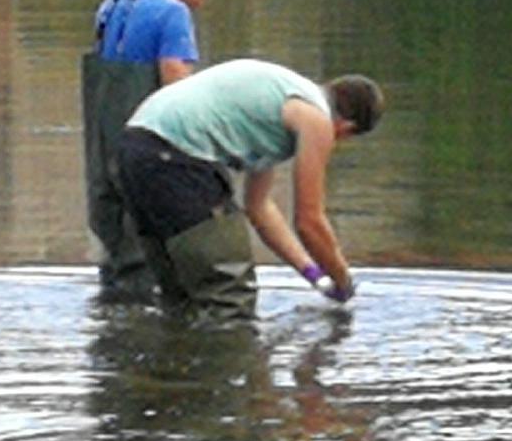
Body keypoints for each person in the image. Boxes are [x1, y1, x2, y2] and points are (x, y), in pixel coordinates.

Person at [117, 58, 384, 317]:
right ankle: (232, 360)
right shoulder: (316, 119)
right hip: (176, 156)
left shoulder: (278, 101)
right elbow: (309, 222)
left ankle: (166, 358)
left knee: (180, 297)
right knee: (229, 300)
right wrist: (343, 281)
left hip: (134, 149)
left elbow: (259, 209)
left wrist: (314, 275)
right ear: (346, 128)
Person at [81, 0, 223, 299]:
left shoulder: (112, 4)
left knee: (116, 254)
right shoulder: (173, 13)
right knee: (147, 251)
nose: (202, 3)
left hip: (104, 148)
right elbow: (176, 80)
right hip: (146, 150)